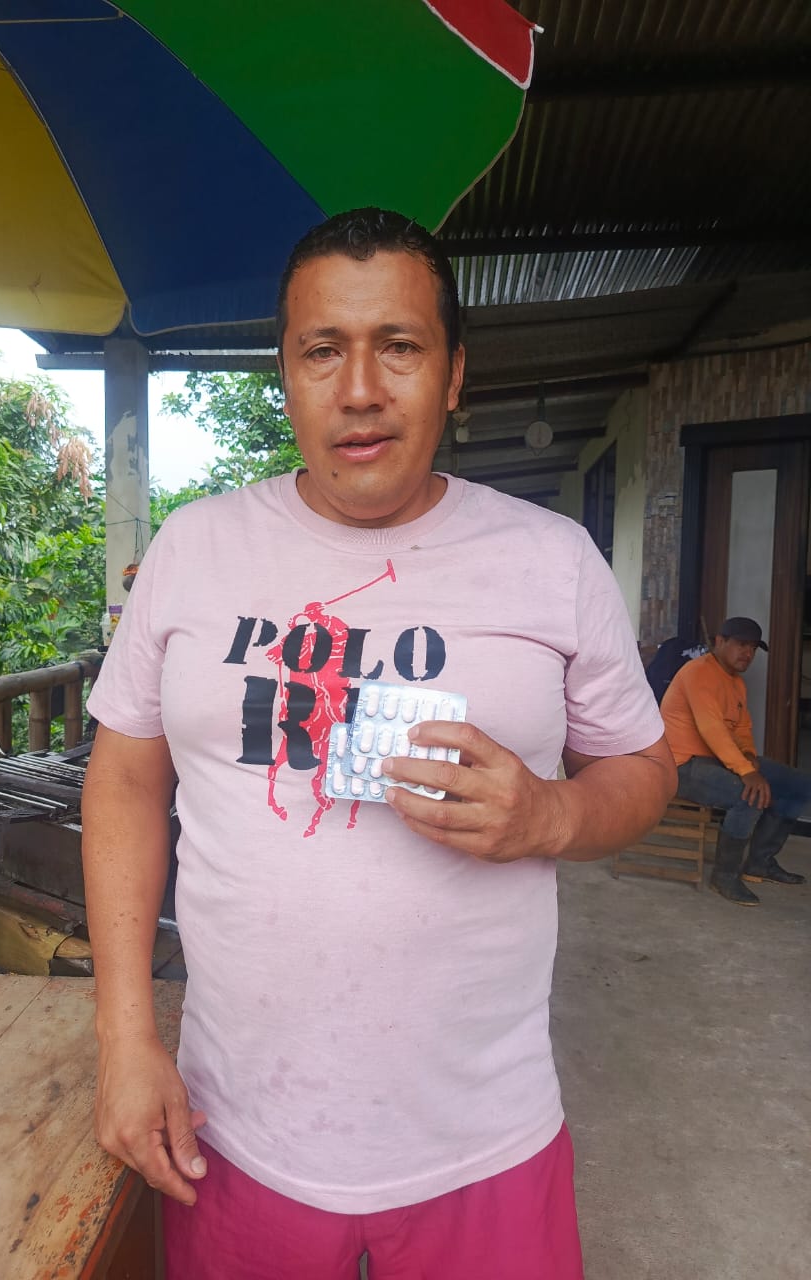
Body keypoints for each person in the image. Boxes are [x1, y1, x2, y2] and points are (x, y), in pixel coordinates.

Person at [81, 208, 675, 1280]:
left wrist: (556, 812)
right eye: (323, 350)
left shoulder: (553, 560)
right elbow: (124, 777)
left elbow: (645, 765)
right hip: (231, 1130)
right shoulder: (194, 548)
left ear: (454, 374)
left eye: (399, 345)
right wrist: (125, 1040)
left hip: (485, 1143)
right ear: (286, 374)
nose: (360, 389)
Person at [660, 616, 809, 906]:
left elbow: (741, 728)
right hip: (682, 765)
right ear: (720, 641)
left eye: (753, 648)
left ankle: (760, 863)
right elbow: (711, 729)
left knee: (799, 786)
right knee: (749, 795)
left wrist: (749, 757)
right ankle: (724, 877)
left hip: (717, 759)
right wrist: (746, 771)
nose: (748, 653)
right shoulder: (699, 673)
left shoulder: (735, 683)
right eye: (741, 645)